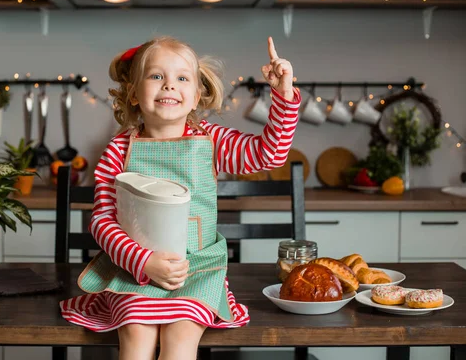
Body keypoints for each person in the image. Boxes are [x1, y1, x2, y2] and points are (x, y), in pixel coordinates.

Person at [60, 36, 301, 360]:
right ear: (133, 93)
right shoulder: (119, 150)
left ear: (196, 96)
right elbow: (103, 221)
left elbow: (267, 156)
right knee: (136, 335)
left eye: (181, 78)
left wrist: (283, 96)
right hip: (133, 271)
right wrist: (143, 262)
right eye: (156, 76)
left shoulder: (212, 139)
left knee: (180, 341)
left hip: (197, 271)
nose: (169, 86)